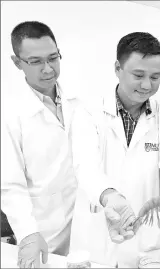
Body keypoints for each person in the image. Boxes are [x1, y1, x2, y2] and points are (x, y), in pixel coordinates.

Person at [69, 32, 160, 268]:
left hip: (149, 245)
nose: (147, 85)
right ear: (118, 68)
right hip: (98, 242)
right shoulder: (89, 112)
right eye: (139, 75)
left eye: (155, 77)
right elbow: (85, 166)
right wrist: (110, 196)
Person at [1, 21, 80, 268]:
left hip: (82, 226)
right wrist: (27, 232)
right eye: (35, 61)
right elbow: (10, 184)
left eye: (53, 58)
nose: (48, 69)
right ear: (17, 63)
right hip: (42, 228)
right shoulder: (10, 114)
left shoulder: (77, 102)